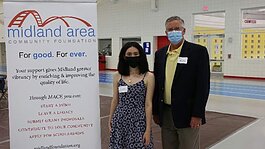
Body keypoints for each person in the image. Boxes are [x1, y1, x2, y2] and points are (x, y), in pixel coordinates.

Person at [152, 16, 210, 149]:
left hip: (188, 114)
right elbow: (157, 84)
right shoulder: (160, 54)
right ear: (166, 33)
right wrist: (156, 111)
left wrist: (197, 114)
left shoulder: (198, 52)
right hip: (166, 113)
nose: (173, 32)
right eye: (170, 30)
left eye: (177, 28)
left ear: (184, 31)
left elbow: (203, 86)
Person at [109, 42, 155, 149]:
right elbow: (115, 100)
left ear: (141, 55)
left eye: (135, 54)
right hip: (120, 120)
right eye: (129, 54)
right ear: (124, 57)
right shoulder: (117, 76)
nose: (132, 56)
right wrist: (110, 119)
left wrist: (148, 129)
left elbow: (148, 104)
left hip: (139, 121)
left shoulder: (148, 76)